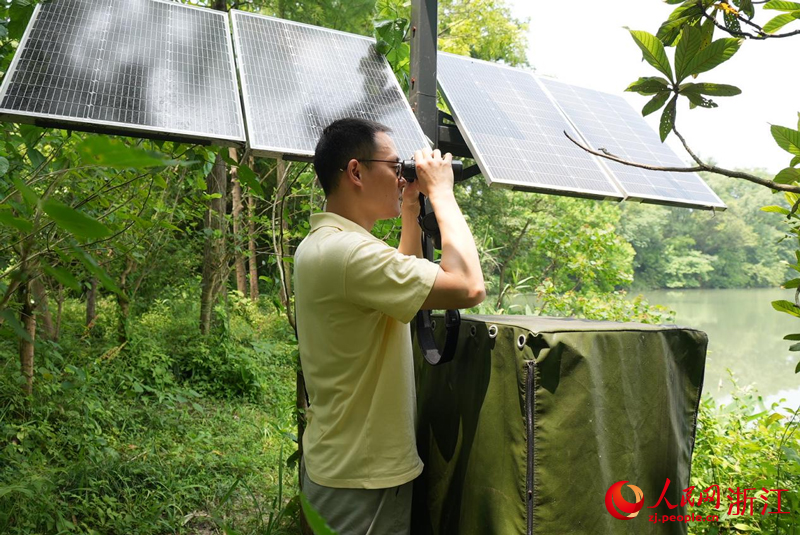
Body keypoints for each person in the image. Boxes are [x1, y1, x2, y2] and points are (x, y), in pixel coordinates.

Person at [294, 117, 485, 534]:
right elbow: (469, 286)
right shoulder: (348, 254)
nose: (402, 179)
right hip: (360, 478)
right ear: (356, 171)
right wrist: (442, 193)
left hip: (347, 464)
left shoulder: (330, 245)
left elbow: (405, 281)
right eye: (395, 167)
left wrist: (413, 208)